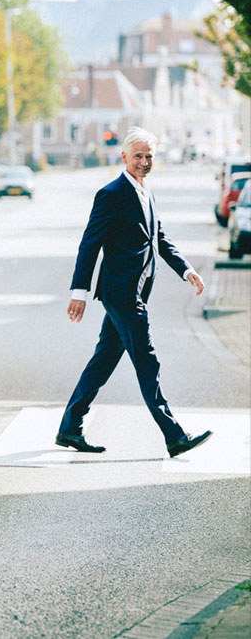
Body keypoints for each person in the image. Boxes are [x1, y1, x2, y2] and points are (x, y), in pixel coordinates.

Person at [59, 127, 211, 458]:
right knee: (147, 361)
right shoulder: (111, 194)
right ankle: (174, 435)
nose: (144, 162)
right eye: (138, 156)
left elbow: (159, 237)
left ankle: (70, 427)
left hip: (134, 291)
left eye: (149, 156)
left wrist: (186, 269)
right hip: (122, 294)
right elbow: (90, 245)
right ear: (124, 157)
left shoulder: (145, 191)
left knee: (103, 361)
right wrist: (79, 291)